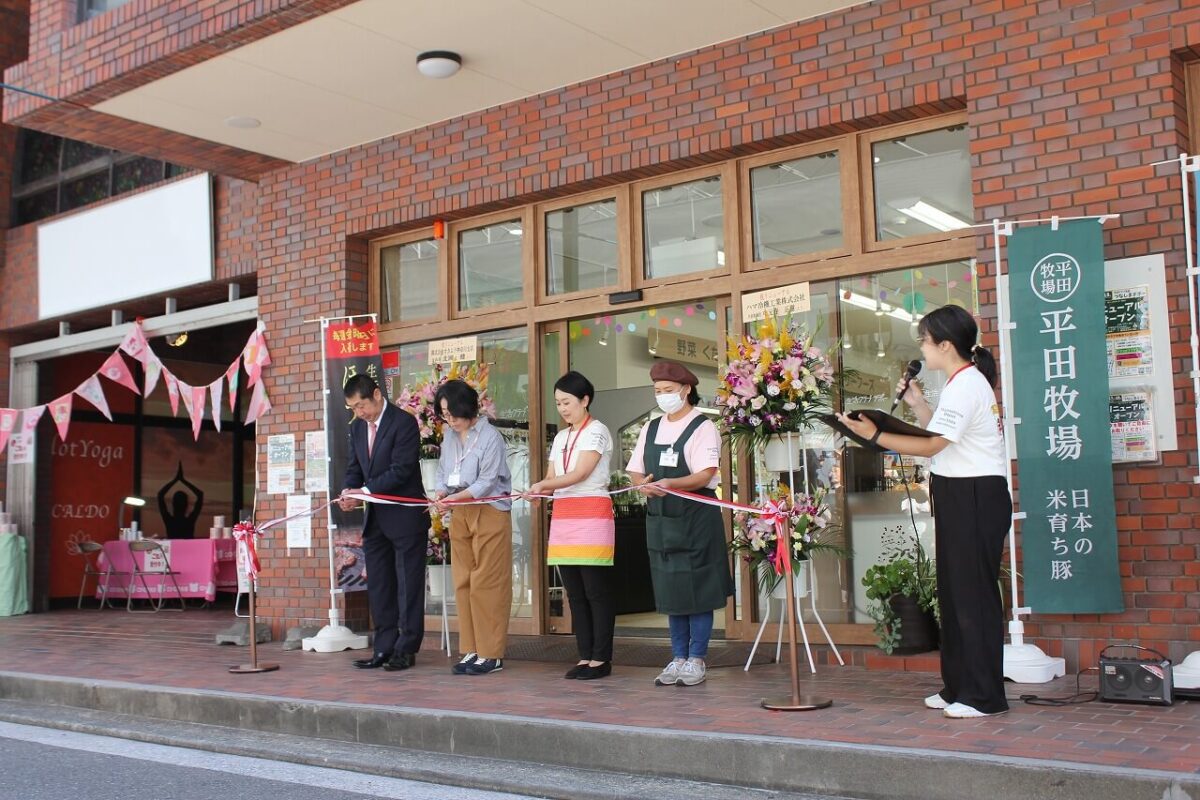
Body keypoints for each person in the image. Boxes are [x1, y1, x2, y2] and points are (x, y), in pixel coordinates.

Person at [837, 304, 1011, 719]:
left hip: (974, 495)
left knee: (973, 598)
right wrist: (915, 403)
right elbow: (940, 433)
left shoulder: (968, 384)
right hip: (958, 492)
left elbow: (933, 446)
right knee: (953, 595)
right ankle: (958, 688)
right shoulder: (959, 384)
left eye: (925, 341)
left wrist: (876, 435)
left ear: (946, 345)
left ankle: (985, 697)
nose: (921, 349)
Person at [627, 360, 733, 687]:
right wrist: (640, 483)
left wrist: (670, 484)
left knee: (697, 588)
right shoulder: (652, 427)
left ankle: (697, 658)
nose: (663, 396)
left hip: (695, 516)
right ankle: (677, 657)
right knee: (672, 588)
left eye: (669, 391)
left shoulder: (703, 427)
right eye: (658, 391)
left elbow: (705, 474)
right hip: (662, 518)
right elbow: (635, 467)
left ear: (686, 390)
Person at [524, 371, 616, 680]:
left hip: (590, 512)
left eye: (567, 402)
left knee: (596, 591)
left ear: (585, 400)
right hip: (563, 515)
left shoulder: (598, 431)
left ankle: (601, 659)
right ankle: (584, 655)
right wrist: (541, 492)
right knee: (574, 593)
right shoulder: (562, 436)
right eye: (558, 403)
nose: (562, 408)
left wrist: (542, 485)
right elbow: (554, 476)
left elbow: (581, 473)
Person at [338, 374, 428, 673]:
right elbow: (354, 469)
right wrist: (350, 492)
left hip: (404, 517)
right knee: (379, 586)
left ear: (377, 394)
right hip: (375, 519)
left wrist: (365, 491)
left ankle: (406, 647)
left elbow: (401, 470)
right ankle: (383, 647)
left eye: (361, 405)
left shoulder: (403, 422)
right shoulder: (356, 428)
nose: (358, 412)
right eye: (353, 408)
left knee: (408, 586)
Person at [432, 379, 513, 676]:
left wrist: (453, 497)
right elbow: (443, 473)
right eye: (443, 414)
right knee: (463, 580)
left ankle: (492, 653)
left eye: (452, 412)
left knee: (487, 582)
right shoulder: (449, 437)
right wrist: (441, 493)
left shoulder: (490, 436)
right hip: (460, 510)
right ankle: (471, 649)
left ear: (466, 407)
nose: (449, 419)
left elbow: (487, 481)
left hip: (489, 508)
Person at [157, 462, 203, 539]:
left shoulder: (169, 521)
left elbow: (160, 495)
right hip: (189, 550)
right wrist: (183, 480)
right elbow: (200, 495)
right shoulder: (189, 521)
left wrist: (175, 480)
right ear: (186, 505)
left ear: (173, 504)